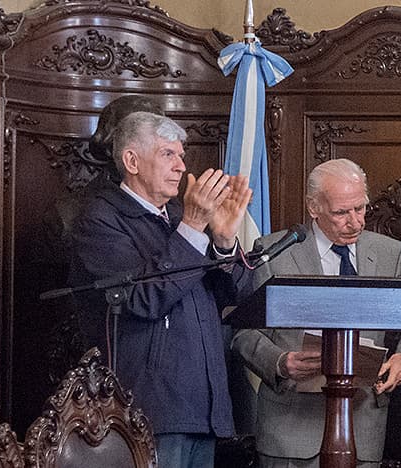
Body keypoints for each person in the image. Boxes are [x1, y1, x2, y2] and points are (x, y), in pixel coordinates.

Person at [68, 111, 253, 467]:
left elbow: (238, 300)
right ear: (132, 161)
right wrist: (194, 227)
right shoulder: (101, 219)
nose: (182, 166)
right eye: (168, 154)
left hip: (205, 405)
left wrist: (226, 241)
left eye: (181, 155)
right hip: (150, 410)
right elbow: (145, 300)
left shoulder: (185, 216)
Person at [232, 158, 401, 467]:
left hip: (362, 427)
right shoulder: (275, 253)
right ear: (314, 208)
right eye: (341, 212)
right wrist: (280, 362)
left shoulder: (389, 253)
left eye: (361, 208)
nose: (355, 222)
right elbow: (244, 332)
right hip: (290, 428)